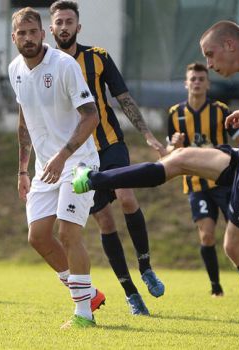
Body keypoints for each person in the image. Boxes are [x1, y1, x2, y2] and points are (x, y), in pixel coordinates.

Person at [73, 20, 239, 349]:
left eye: (211, 56)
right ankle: (95, 179)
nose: (211, 64)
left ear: (230, 44)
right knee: (179, 158)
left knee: (235, 247)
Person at [48, 0, 166, 316]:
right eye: (58, 22)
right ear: (51, 28)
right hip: (81, 157)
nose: (64, 27)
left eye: (69, 21)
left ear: (78, 26)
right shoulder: (47, 67)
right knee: (104, 219)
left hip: (110, 145)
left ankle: (146, 267)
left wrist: (148, 135)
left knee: (127, 198)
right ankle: (130, 293)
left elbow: (123, 97)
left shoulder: (97, 57)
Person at [8, 7, 105, 329]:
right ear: (14, 38)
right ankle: (88, 293)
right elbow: (24, 121)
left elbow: (91, 115)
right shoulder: (14, 70)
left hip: (78, 162)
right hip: (44, 168)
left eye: (33, 31)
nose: (28, 38)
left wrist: (63, 155)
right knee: (37, 237)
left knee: (67, 232)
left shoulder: (63, 65)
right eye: (21, 33)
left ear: (43, 34)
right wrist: (23, 170)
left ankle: (83, 314)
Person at [167, 62, 239, 298]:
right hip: (196, 184)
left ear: (208, 83)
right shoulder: (175, 114)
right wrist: (174, 146)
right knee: (207, 234)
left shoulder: (220, 110)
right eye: (193, 79)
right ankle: (216, 287)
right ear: (186, 83)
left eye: (201, 78)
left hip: (224, 182)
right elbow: (169, 151)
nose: (197, 82)